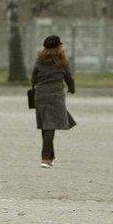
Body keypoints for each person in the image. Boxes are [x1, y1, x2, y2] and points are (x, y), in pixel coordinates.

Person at [31, 35, 75, 168]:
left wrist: (35, 87)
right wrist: (71, 88)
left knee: (46, 125)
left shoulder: (40, 60)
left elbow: (34, 78)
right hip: (56, 95)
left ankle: (50, 156)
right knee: (50, 125)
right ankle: (45, 158)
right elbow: (68, 77)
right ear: (58, 46)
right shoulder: (62, 61)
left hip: (41, 95)